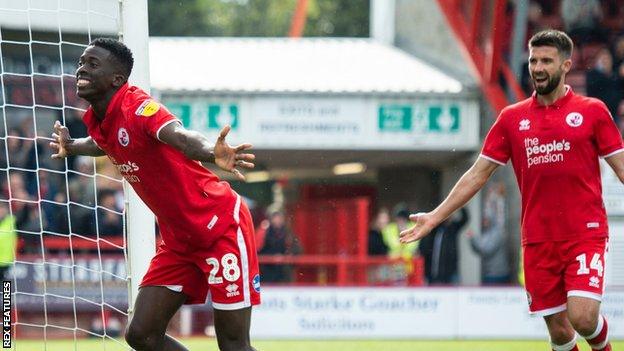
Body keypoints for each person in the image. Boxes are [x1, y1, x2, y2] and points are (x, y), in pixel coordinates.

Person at [399, 30, 624, 351]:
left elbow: (621, 166)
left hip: (584, 235)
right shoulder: (511, 119)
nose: (538, 67)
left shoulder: (592, 111)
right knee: (559, 332)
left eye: (547, 60)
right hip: (537, 239)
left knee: (583, 318)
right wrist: (435, 217)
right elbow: (477, 175)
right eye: (534, 60)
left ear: (565, 66)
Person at [49, 38, 259, 351]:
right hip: (179, 241)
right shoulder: (99, 120)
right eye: (82, 61)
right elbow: (103, 142)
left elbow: (181, 137)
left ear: (117, 80)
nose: (82, 68)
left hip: (220, 226)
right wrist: (73, 146)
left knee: (233, 345)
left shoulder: (139, 107)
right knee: (141, 335)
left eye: (93, 64)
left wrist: (212, 153)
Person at [467, 183, 511, 285]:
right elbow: (478, 249)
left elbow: (486, 249)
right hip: (489, 274)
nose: (484, 221)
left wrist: (473, 238)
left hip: (498, 276)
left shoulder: (498, 231)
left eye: (486, 219)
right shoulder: (487, 233)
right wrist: (472, 240)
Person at [418, 207, 468, 285]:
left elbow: (465, 219)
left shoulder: (453, 228)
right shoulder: (435, 229)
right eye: (446, 215)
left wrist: (460, 205)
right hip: (434, 273)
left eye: (450, 215)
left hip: (451, 273)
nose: (448, 217)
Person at [258, 208, 300, 283]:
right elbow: (258, 250)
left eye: (279, 218)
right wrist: (272, 257)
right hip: (268, 271)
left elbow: (297, 249)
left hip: (284, 272)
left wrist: (286, 256)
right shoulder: (264, 233)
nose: (277, 220)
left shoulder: (288, 234)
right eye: (275, 218)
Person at [586, 48, 623, 126]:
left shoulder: (616, 76)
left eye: (607, 58)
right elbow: (593, 89)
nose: (606, 61)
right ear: (597, 60)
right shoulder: (592, 74)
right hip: (598, 111)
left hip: (615, 112)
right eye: (603, 58)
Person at [0, 202, 16, 281]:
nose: (1, 211)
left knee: (6, 282)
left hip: (6, 260)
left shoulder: (12, 221)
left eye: (3, 209)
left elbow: (24, 217)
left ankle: (7, 294)